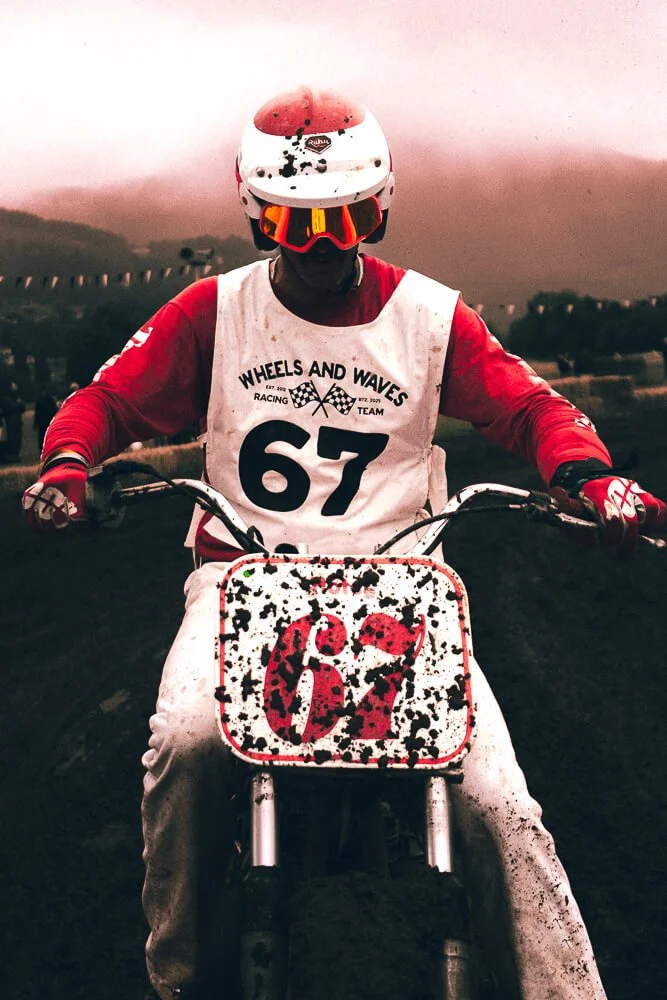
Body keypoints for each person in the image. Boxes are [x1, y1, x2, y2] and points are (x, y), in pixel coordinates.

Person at [21, 87, 666, 1000]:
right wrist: (69, 461)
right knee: (189, 744)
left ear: (380, 208)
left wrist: (588, 474)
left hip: (403, 586)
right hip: (245, 579)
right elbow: (108, 398)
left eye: (346, 218)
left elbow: (528, 405)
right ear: (257, 218)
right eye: (296, 222)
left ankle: (562, 990)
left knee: (495, 803)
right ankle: (181, 977)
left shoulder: (432, 317)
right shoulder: (212, 312)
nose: (323, 245)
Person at [3, 382, 26, 462]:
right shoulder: (7, 400)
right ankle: (11, 456)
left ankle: (16, 455)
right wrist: (17, 405)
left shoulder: (17, 400)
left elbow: (23, 408)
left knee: (18, 439)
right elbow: (10, 408)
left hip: (17, 423)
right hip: (10, 423)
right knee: (12, 439)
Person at [33, 385, 59, 454]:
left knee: (44, 435)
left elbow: (37, 413)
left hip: (45, 421)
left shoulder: (43, 400)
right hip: (46, 421)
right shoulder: (49, 400)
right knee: (44, 436)